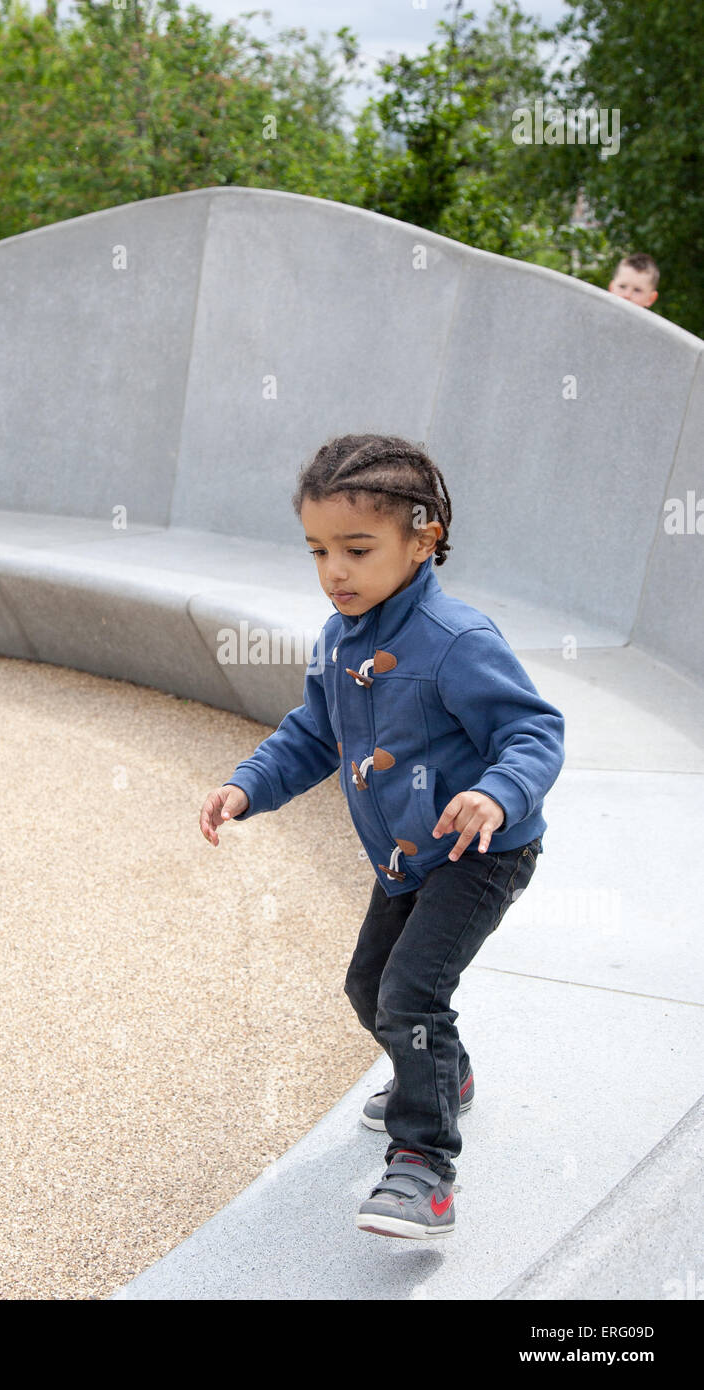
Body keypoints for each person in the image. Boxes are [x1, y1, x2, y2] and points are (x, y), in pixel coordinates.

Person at [198, 434, 565, 1240]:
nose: (335, 571)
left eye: (357, 550)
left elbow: (533, 732)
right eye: (319, 551)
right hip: (407, 856)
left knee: (410, 995)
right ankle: (446, 1074)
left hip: (481, 854)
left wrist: (495, 795)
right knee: (370, 990)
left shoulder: (457, 641)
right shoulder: (339, 638)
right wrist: (247, 785)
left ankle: (424, 1168)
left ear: (423, 537)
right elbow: (311, 734)